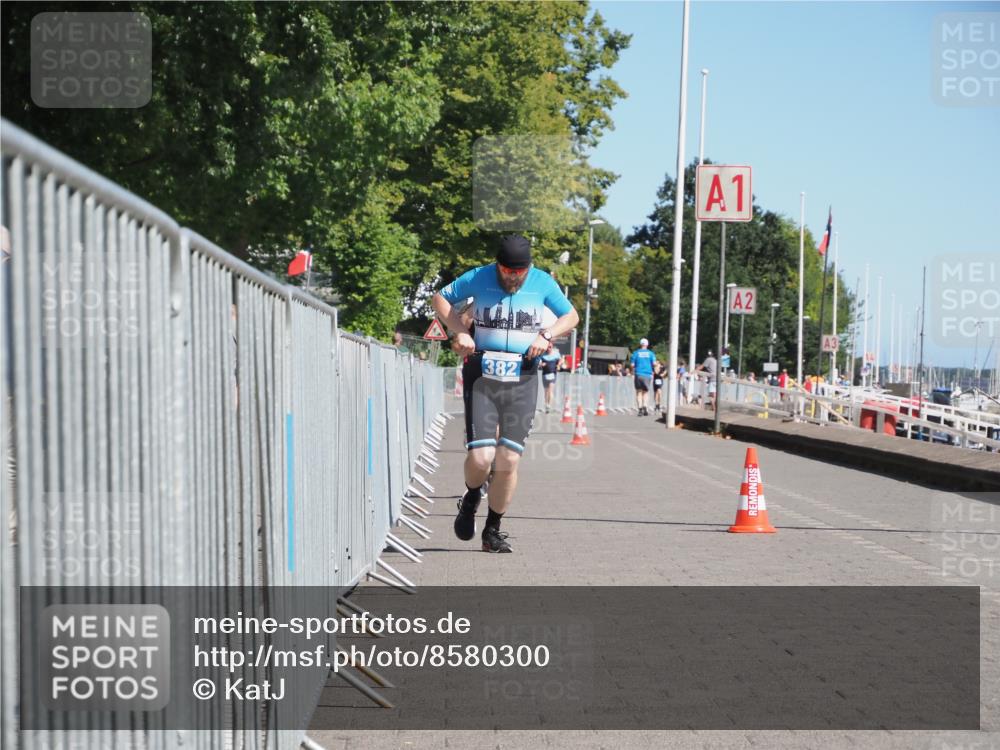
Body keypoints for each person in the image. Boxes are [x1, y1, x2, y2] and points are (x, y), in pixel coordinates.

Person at [431, 235, 579, 553]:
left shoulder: (542, 282)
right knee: (482, 457)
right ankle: (471, 498)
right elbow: (440, 298)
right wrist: (459, 331)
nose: (512, 277)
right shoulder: (479, 275)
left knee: (508, 459)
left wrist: (547, 334)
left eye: (519, 272)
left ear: (528, 268)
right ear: (497, 265)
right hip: (481, 373)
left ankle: (492, 530)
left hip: (523, 376)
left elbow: (572, 316)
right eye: (507, 271)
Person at [630, 338, 656, 416]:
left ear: (640, 344)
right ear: (647, 344)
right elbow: (654, 364)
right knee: (646, 392)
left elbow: (632, 365)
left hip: (638, 374)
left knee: (638, 392)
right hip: (647, 374)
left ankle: (640, 409)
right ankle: (645, 407)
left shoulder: (635, 353)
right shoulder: (651, 353)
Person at [540, 344, 561, 413]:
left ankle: (549, 404)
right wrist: (541, 364)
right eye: (548, 347)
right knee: (546, 391)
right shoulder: (543, 355)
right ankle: (546, 404)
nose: (549, 348)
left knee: (550, 389)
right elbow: (539, 362)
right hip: (545, 374)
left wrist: (558, 365)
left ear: (552, 347)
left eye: (550, 347)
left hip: (553, 374)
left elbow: (560, 360)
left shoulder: (556, 354)